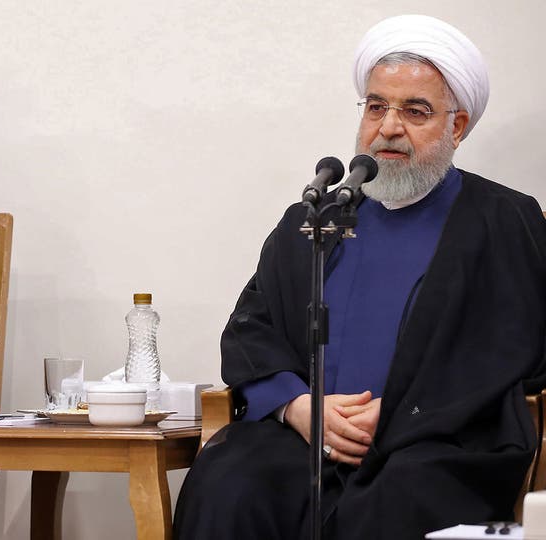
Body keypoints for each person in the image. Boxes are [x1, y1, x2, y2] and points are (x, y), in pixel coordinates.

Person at [174, 15, 546, 540]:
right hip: (305, 438)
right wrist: (298, 407)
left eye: (415, 111)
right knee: (229, 479)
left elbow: (517, 349)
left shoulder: (502, 220)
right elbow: (252, 329)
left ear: (457, 126)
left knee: (403, 498)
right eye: (376, 107)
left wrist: (404, 415)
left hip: (436, 444)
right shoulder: (316, 219)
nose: (388, 128)